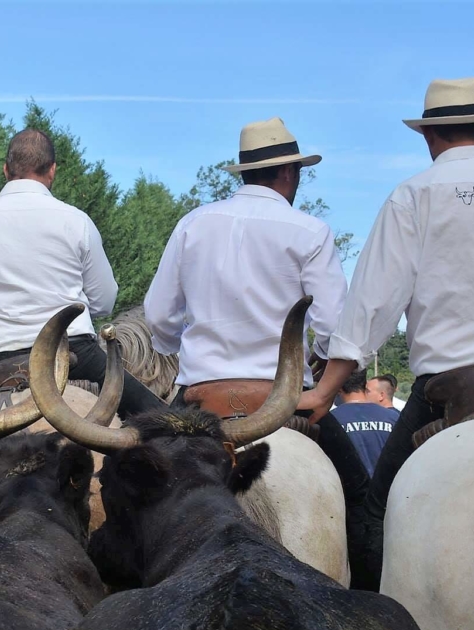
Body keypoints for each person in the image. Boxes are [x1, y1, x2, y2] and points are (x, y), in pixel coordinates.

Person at [299, 77, 474, 589]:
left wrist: (323, 389)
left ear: (429, 136)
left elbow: (371, 306)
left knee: (373, 516)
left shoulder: (412, 196)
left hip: (450, 386)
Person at [143, 116, 370, 585]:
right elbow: (333, 328)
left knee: (133, 498)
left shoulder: (193, 224)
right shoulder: (310, 231)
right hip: (284, 404)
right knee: (370, 506)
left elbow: (159, 318)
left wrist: (174, 347)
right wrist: (320, 374)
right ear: (289, 173)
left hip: (199, 405)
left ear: (243, 173)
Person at [0, 128, 160, 417]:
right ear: (52, 170)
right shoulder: (78, 222)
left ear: (5, 170)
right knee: (162, 423)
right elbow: (104, 301)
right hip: (79, 356)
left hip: (2, 359)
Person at [331, 370, 400, 477]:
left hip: (349, 490)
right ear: (365, 386)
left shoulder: (331, 420)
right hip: (388, 489)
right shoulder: (393, 417)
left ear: (339, 388)